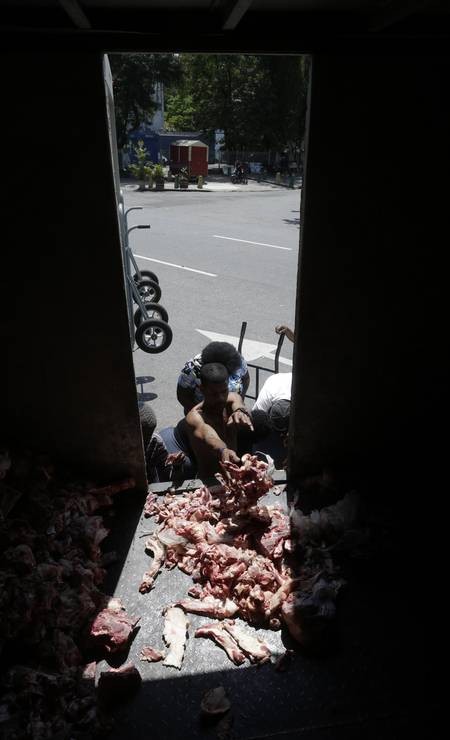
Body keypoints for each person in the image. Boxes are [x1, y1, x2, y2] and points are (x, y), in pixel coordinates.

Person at [184, 362, 253, 479]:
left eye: (224, 391)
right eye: (214, 394)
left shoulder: (231, 399)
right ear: (202, 389)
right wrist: (223, 450)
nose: (221, 398)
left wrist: (240, 411)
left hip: (236, 476)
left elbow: (237, 402)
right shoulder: (195, 417)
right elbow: (208, 435)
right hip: (210, 482)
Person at [177, 341, 250, 414]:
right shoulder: (192, 368)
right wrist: (200, 414)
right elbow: (182, 395)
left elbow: (246, 379)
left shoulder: (238, 362)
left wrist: (239, 401)